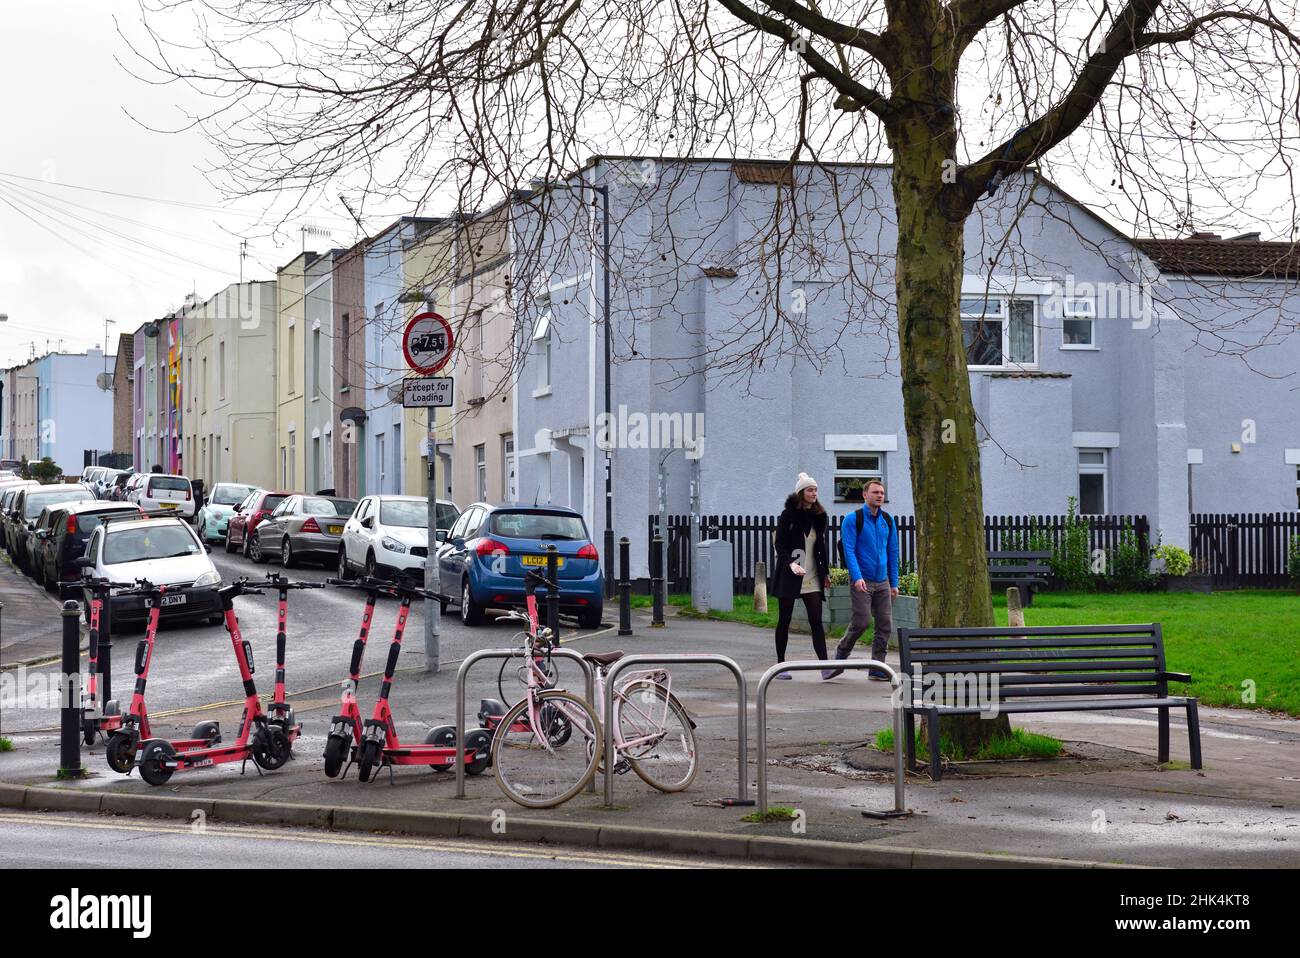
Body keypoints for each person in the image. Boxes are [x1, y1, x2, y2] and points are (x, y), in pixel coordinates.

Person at [826, 479, 899, 680]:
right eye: (875, 492)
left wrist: (894, 583)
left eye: (882, 493)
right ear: (864, 495)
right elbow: (849, 550)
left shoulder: (888, 521)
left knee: (885, 624)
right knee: (862, 622)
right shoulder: (853, 519)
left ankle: (877, 668)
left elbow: (893, 552)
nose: (879, 496)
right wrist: (856, 577)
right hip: (862, 580)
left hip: (882, 581)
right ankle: (842, 652)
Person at [769, 472, 831, 679]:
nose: (814, 493)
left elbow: (820, 546)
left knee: (816, 621)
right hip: (790, 574)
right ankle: (781, 665)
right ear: (801, 493)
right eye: (810, 490)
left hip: (812, 576)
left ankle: (825, 666)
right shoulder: (788, 515)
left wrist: (826, 572)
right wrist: (790, 564)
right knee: (784, 620)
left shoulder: (819, 516)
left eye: (815, 490)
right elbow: (780, 544)